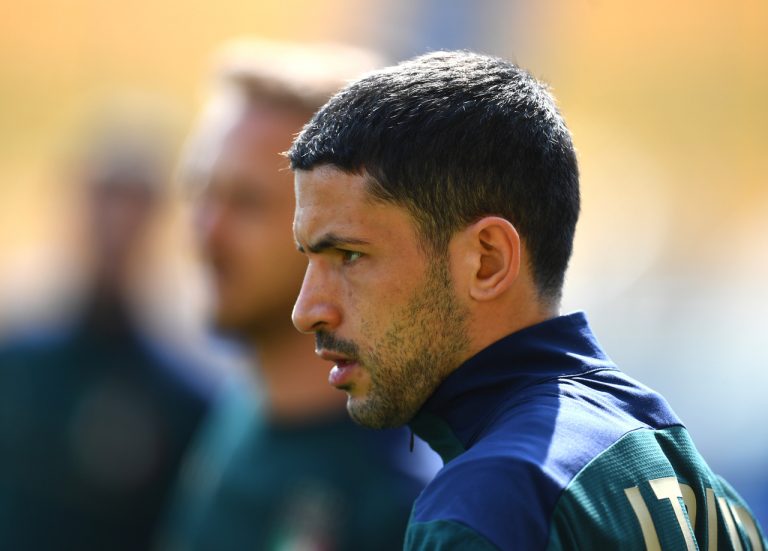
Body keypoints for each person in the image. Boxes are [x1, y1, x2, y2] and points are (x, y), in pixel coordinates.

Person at [287, 50, 767, 550]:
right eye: (308, 259)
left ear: (487, 260)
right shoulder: (698, 482)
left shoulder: (486, 504)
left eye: (349, 255)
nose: (307, 311)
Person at [158, 40, 434, 551]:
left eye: (247, 202)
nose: (207, 231)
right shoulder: (240, 411)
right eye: (202, 191)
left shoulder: (395, 501)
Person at [0, 119, 213, 550]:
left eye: (135, 202)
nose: (116, 222)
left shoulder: (185, 397)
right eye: (103, 197)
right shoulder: (14, 363)